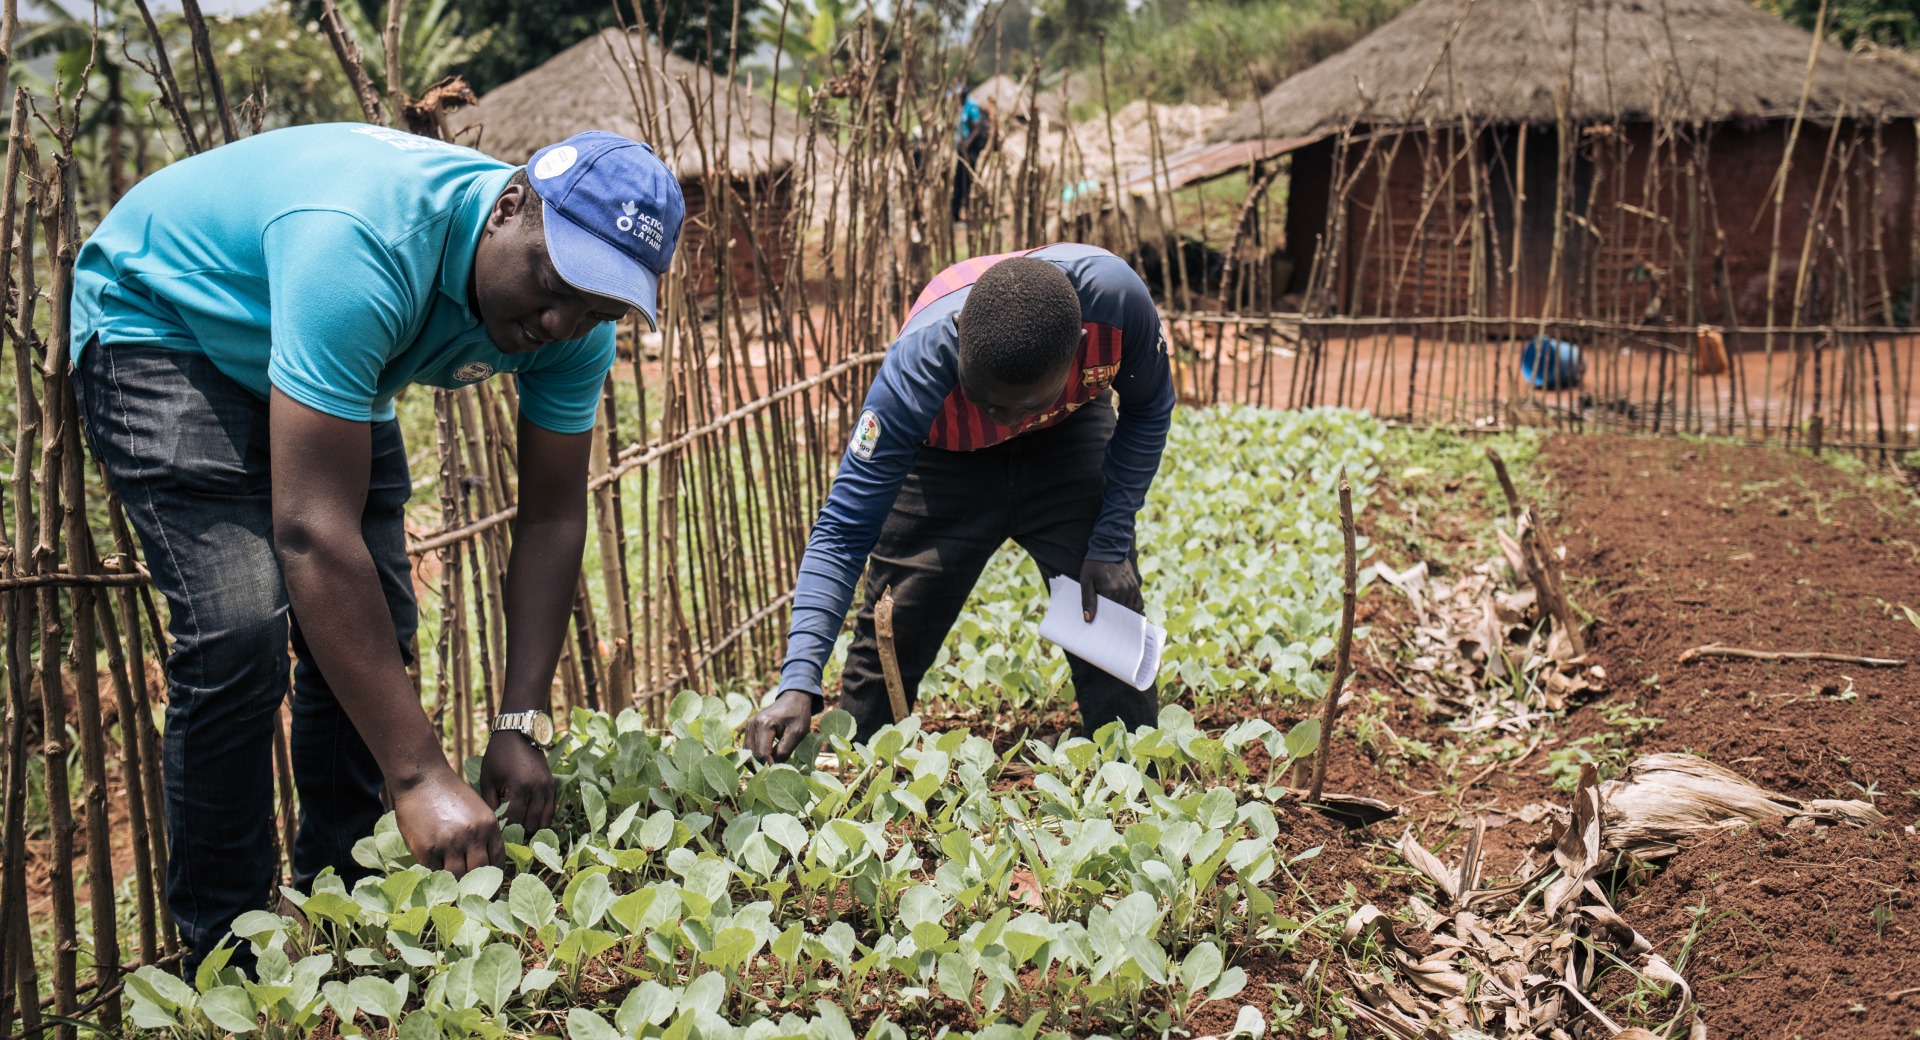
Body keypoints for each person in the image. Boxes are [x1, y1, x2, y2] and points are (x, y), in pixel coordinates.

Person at [69, 124, 684, 969]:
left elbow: (550, 518)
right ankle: (225, 955)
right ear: (509, 207)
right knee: (239, 633)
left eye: (596, 308)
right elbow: (311, 532)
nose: (557, 321)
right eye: (553, 282)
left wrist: (517, 720)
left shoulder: (575, 328)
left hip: (329, 352)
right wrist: (420, 774)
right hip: (171, 323)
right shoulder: (362, 241)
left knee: (376, 628)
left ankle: (342, 901)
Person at [744, 244, 1174, 763]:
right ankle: (863, 770)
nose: (1004, 421)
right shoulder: (916, 371)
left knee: (1105, 599)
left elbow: (1149, 409)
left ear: (1078, 347)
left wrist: (1108, 542)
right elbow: (842, 531)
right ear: (959, 349)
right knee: (894, 624)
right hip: (945, 455)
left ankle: (1128, 768)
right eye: (987, 401)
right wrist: (798, 681)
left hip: (1067, 434)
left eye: (1022, 406)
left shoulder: (1117, 304)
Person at [951, 89, 994, 222]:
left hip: (969, 152)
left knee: (967, 182)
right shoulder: (961, 107)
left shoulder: (972, 106)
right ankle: (956, 214)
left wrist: (967, 144)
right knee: (958, 182)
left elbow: (977, 127)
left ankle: (970, 214)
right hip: (962, 150)